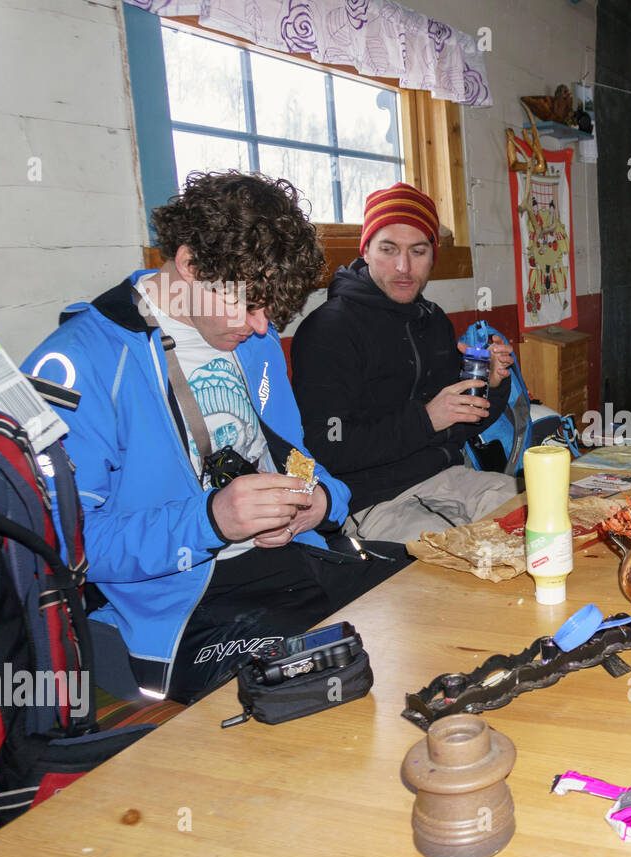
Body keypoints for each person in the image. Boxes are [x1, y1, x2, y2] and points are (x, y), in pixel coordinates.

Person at [25, 172, 402, 704]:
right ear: (190, 264)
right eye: (249, 306)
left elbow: (298, 459)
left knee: (425, 605)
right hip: (180, 610)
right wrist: (210, 520)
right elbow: (66, 548)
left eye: (271, 311)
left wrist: (316, 502)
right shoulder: (76, 363)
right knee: (320, 683)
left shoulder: (254, 340)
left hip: (295, 563)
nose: (261, 327)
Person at [292, 183, 519, 541]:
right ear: (365, 250)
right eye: (388, 249)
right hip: (370, 500)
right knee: (468, 554)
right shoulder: (328, 330)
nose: (403, 267)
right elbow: (324, 446)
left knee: (532, 517)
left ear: (433, 255)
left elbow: (465, 426)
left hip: (447, 478)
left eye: (418, 251)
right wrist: (427, 419)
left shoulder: (434, 321)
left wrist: (491, 384)